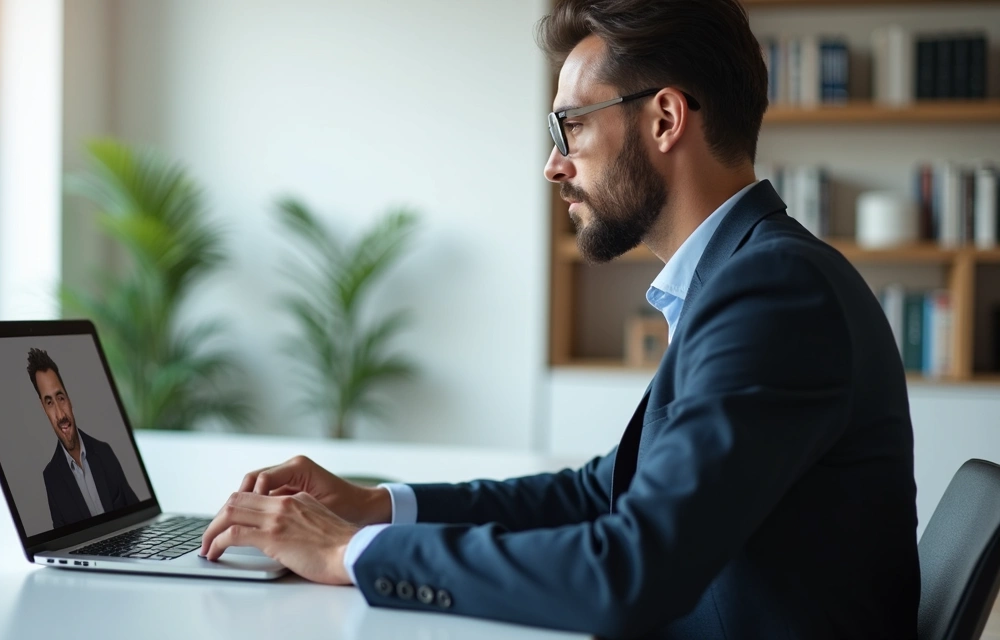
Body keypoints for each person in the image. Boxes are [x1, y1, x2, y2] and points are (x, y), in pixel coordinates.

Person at [199, 0, 919, 637]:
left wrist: (343, 553)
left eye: (569, 126)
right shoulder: (749, 274)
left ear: (665, 118)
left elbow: (628, 574)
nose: (552, 164)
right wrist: (376, 507)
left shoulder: (774, 289)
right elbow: (601, 493)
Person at [27, 347, 138, 529]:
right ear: (43, 409)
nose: (60, 414)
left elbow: (138, 514)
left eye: (60, 398)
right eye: (49, 403)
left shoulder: (104, 452)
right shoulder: (51, 478)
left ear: (69, 399)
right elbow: (63, 545)